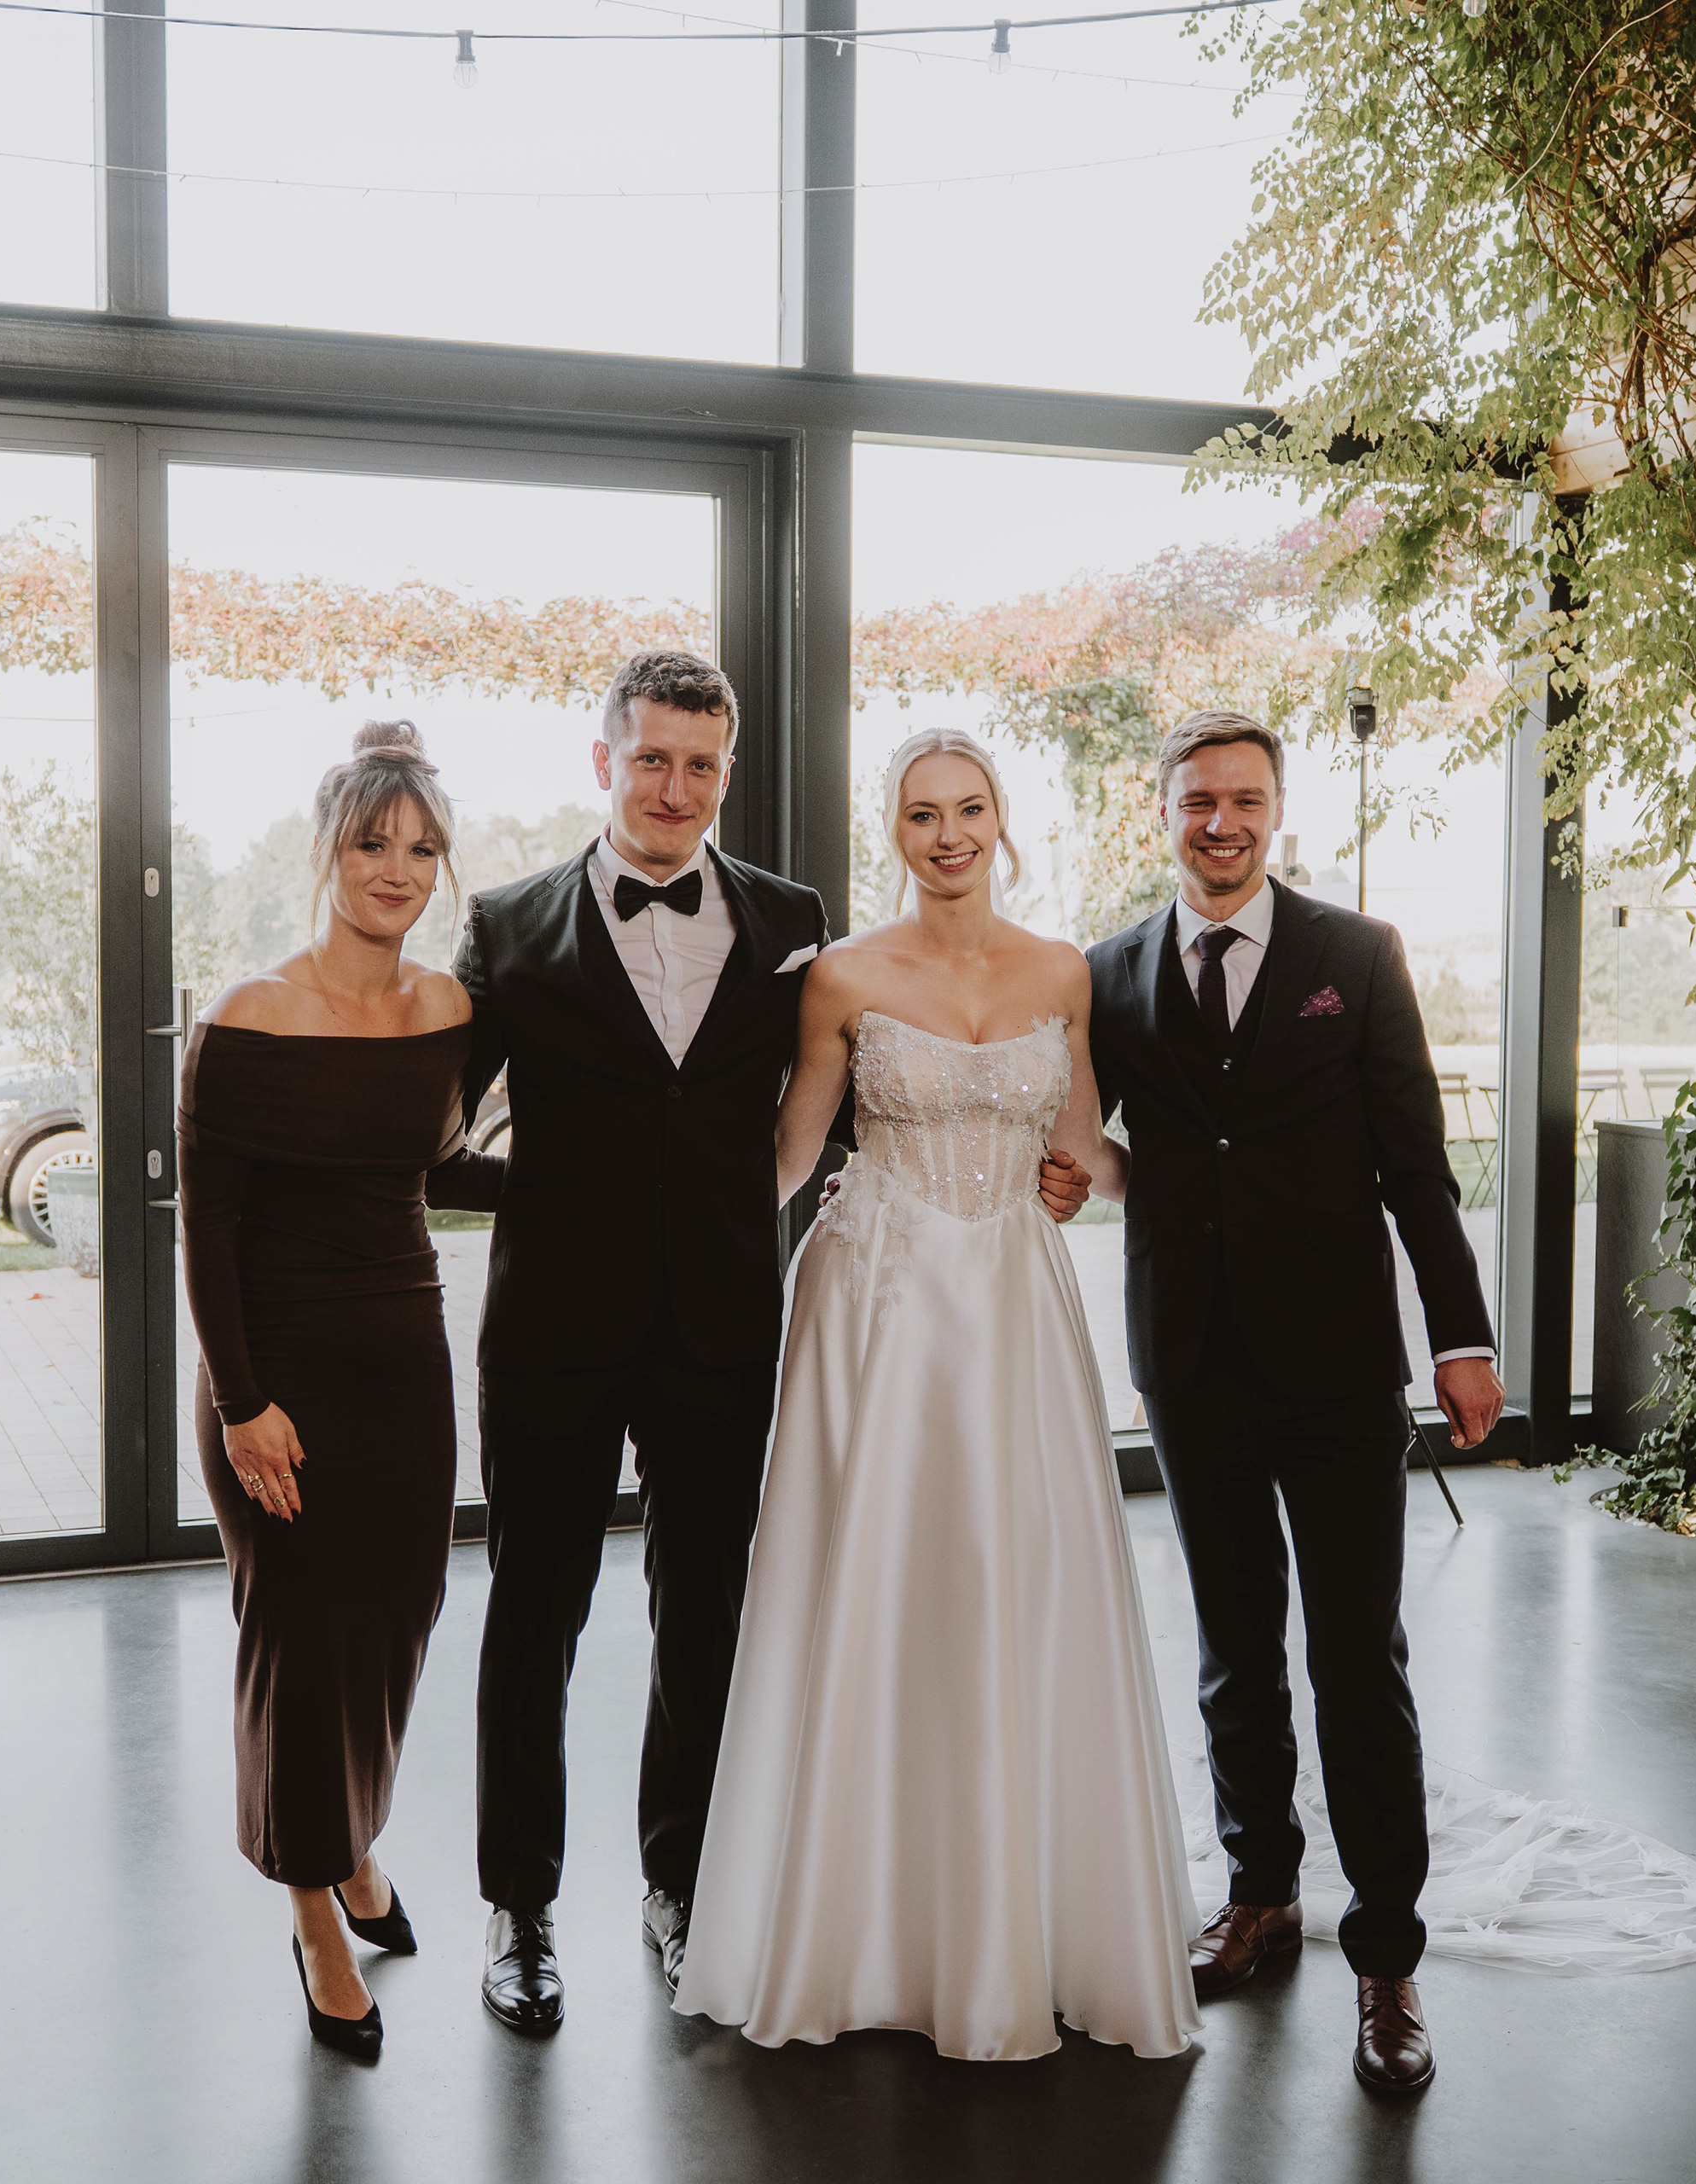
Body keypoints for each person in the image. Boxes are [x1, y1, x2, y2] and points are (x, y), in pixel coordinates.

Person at [674, 727, 1199, 2062]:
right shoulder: (843, 976)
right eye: (922, 815)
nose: (949, 835)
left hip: (1015, 1306)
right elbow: (790, 1156)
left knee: (1011, 1580)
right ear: (894, 832)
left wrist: (1147, 1180)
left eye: (969, 810)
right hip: (878, 1307)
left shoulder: (1061, 971)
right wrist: (665, 1256)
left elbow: (1086, 1152)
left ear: (1001, 820)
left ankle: (1017, 1913)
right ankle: (856, 1921)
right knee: (877, 1583)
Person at [1081, 708, 1505, 2096]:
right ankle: (1259, 1893)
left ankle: (1386, 1956)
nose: (1222, 822)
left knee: (1357, 1659)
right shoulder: (1110, 972)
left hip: (1335, 1366)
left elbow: (1416, 1166)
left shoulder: (1356, 956)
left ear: (1277, 811)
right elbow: (1088, 1135)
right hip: (1188, 1360)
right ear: (1163, 813)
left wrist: (1461, 1340)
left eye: (1245, 799)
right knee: (1230, 1648)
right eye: (1198, 800)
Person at [454, 649, 833, 2034]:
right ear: (604, 760)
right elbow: (436, 1123)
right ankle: (520, 1905)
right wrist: (549, 1196)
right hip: (553, 1324)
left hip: (721, 1322)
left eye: (701, 765)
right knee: (534, 1612)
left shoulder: (792, 919)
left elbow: (828, 1101)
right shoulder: (506, 924)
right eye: (653, 759)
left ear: (727, 772)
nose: (676, 789)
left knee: (709, 1612)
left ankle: (685, 1885)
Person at [179, 721, 506, 2061]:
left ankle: (350, 1840)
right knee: (304, 1644)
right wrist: (239, 1403)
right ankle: (315, 1909)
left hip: (404, 1362)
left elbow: (436, 1169)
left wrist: (601, 1184)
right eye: (374, 843)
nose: (398, 869)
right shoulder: (248, 1015)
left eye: (422, 849)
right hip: (277, 1378)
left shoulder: (444, 1013)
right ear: (325, 850)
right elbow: (206, 1230)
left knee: (395, 1621)